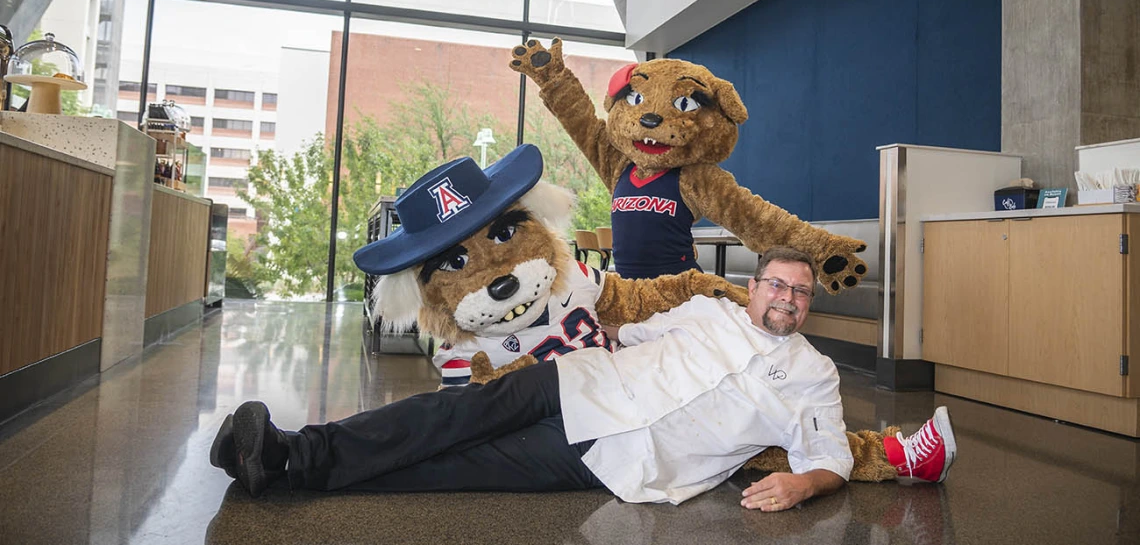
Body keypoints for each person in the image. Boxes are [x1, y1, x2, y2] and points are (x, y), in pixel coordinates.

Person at [212, 246, 953, 507]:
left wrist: (803, 483)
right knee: (443, 419)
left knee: (454, 468)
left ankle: (278, 473)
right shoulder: (704, 308)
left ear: (807, 303)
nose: (785, 297)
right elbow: (624, 328)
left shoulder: (814, 374)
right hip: (578, 382)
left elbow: (825, 455)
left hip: (621, 456)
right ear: (754, 285)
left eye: (799, 292)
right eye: (775, 284)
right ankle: (288, 450)